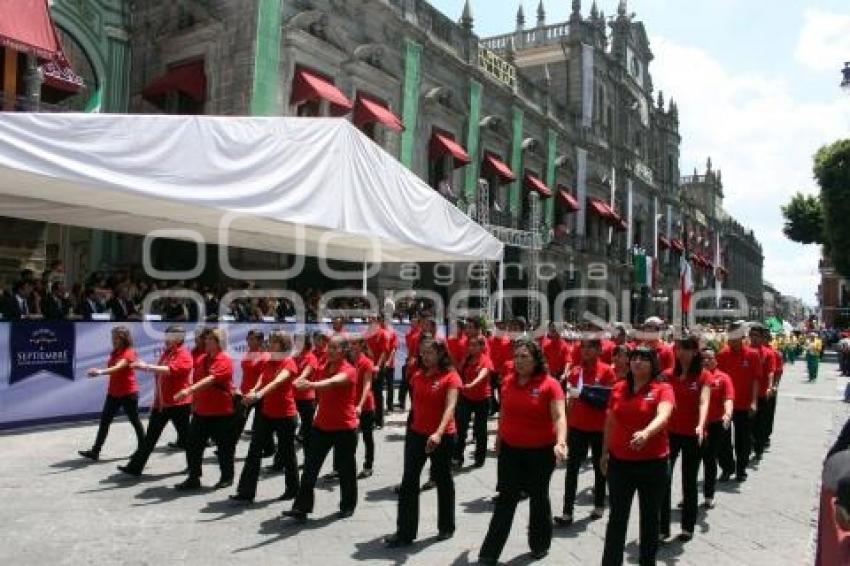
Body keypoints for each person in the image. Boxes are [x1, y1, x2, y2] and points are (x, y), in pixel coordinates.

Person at [478, 338, 567, 564]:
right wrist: (498, 438)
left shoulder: (550, 384)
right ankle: (489, 553)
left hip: (541, 452)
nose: (518, 361)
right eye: (516, 356)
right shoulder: (508, 382)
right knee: (506, 500)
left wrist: (561, 441)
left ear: (537, 359)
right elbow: (505, 413)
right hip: (510, 451)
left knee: (538, 498)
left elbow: (559, 416)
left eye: (524, 356)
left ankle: (539, 544)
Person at [600, 346, 675, 566]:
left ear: (653, 364)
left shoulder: (662, 389)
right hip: (620, 464)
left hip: (653, 464)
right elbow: (610, 422)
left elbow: (664, 414)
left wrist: (646, 432)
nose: (638, 362)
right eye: (634, 358)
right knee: (617, 518)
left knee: (650, 519)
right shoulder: (618, 388)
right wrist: (604, 452)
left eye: (644, 358)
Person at [383, 338, 460, 547]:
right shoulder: (416, 375)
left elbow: (450, 408)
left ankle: (446, 526)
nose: (425, 357)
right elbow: (415, 407)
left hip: (442, 437)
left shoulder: (451, 377)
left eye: (430, 353)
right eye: (423, 353)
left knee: (443, 480)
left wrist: (438, 433)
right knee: (409, 481)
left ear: (441, 354)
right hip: (417, 435)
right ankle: (405, 532)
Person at [283, 335, 359, 521]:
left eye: (334, 348)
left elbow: (332, 383)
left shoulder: (349, 370)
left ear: (343, 351)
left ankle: (347, 505)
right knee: (310, 468)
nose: (330, 351)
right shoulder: (324, 366)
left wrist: (311, 384)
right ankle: (301, 508)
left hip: (344, 428)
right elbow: (308, 372)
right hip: (321, 426)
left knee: (345, 469)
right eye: (329, 347)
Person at [231, 330, 300, 503]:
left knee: (287, 454)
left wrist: (258, 395)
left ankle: (293, 490)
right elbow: (262, 378)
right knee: (254, 450)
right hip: (267, 413)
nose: (270, 344)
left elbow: (277, 382)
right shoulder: (269, 360)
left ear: (283, 345)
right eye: (270, 341)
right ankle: (246, 492)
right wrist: (254, 390)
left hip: (285, 415)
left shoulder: (289, 363)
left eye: (274, 342)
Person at [556, 339, 617, 526]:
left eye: (591, 347)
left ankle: (599, 504)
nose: (586, 350)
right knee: (571, 470)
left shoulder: (607, 371)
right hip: (577, 427)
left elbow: (605, 400)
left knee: (601, 468)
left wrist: (581, 394)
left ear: (599, 350)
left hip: (599, 428)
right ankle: (567, 511)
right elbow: (569, 401)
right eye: (584, 346)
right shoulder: (575, 371)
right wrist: (564, 431)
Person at [118, 325, 194, 475]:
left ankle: (194, 467)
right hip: (162, 404)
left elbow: (170, 370)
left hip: (179, 405)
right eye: (165, 336)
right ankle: (135, 467)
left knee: (186, 440)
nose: (166, 340)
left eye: (169, 337)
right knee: (150, 438)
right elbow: (160, 376)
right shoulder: (167, 353)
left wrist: (145, 366)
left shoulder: (184, 355)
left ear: (179, 339)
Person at [659, 336, 711, 543]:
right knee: (664, 479)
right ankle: (662, 528)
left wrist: (701, 423)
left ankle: (687, 526)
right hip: (669, 433)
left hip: (693, 435)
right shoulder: (667, 375)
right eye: (679, 349)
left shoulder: (703, 376)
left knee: (689, 481)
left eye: (687, 349)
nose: (682, 353)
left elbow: (704, 401)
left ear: (695, 352)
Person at [173, 328, 238, 490]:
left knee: (224, 447)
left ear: (219, 343)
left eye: (210, 339)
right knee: (193, 444)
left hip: (221, 411)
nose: (206, 341)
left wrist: (188, 391)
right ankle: (194, 477)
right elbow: (195, 379)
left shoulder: (224, 360)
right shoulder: (201, 359)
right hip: (201, 410)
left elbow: (211, 379)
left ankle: (226, 477)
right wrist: (193, 401)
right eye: (206, 339)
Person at [79, 326, 145, 461]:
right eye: (113, 337)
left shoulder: (129, 352)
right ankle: (95, 451)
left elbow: (118, 367)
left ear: (124, 339)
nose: (113, 340)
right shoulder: (114, 352)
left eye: (117, 338)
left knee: (135, 421)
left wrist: (100, 372)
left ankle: (143, 449)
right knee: (104, 422)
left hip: (128, 393)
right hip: (113, 393)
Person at [716, 322, 762, 482]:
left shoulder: (752, 355)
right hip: (725, 405)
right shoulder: (722, 355)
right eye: (729, 336)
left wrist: (754, 401)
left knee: (743, 439)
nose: (730, 340)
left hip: (745, 404)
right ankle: (727, 468)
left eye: (734, 337)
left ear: (742, 338)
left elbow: (756, 379)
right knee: (723, 439)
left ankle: (741, 469)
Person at [700, 347, 734, 507]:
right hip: (695, 425)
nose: (706, 361)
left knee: (710, 460)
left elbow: (728, 398)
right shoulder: (695, 377)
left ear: (716, 360)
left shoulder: (723, 378)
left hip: (715, 425)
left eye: (709, 358)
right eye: (703, 358)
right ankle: (689, 496)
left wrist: (727, 414)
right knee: (691, 463)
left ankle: (708, 494)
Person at [453, 335, 493, 469]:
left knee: (480, 429)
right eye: (470, 345)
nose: (471, 348)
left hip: (482, 398)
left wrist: (472, 384)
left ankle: (479, 458)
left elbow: (483, 374)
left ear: (482, 347)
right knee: (461, 428)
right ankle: (457, 457)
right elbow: (458, 371)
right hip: (466, 397)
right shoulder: (466, 359)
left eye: (475, 345)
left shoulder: (485, 360)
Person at [749, 325, 776, 462]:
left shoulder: (768, 353)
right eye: (751, 335)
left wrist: (770, 387)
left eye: (756, 335)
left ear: (762, 337)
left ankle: (758, 449)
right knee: (748, 425)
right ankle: (748, 448)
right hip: (746, 395)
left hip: (762, 393)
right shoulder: (745, 351)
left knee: (760, 423)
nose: (754, 338)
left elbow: (771, 371)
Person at [352, 336, 377, 479]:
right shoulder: (350, 361)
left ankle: (368, 466)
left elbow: (367, 385)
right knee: (349, 438)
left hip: (365, 406)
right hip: (352, 406)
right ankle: (343, 467)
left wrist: (360, 405)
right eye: (351, 344)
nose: (352, 346)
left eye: (355, 344)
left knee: (367, 437)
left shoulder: (366, 362)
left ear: (361, 345)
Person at [292, 333, 320, 454]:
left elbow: (307, 372)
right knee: (288, 430)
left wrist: (299, 378)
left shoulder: (311, 357)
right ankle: (280, 460)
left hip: (307, 398)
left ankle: (308, 459)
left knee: (307, 432)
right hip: (293, 397)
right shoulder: (294, 356)